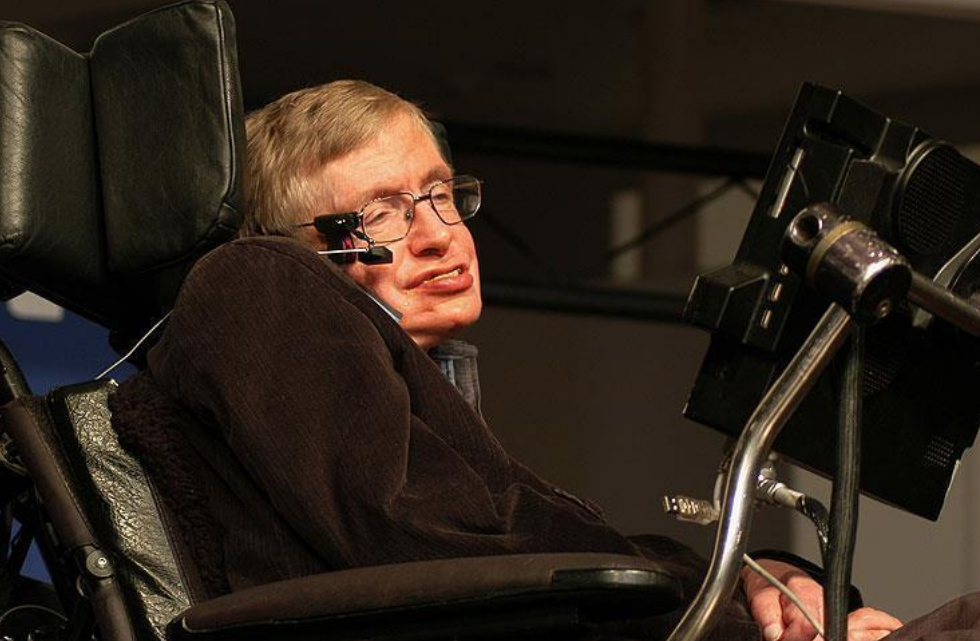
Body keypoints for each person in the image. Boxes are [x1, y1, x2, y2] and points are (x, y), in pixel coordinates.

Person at [109, 79, 902, 641]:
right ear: (303, 250)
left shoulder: (405, 398)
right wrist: (730, 616)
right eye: (383, 212)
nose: (439, 234)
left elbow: (527, 548)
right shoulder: (256, 278)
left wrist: (761, 579)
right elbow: (433, 542)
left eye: (440, 194)